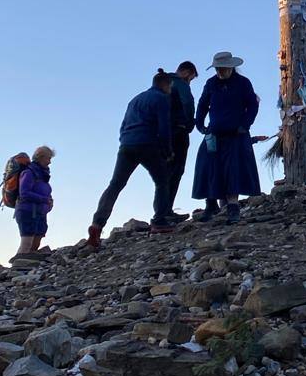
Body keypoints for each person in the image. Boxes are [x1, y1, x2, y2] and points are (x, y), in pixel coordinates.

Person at [87, 69, 175, 248]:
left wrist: (124, 140)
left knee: (115, 185)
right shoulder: (161, 99)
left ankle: (97, 223)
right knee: (162, 180)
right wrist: (167, 151)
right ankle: (159, 221)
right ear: (165, 85)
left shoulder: (135, 100)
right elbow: (164, 128)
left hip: (126, 144)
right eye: (170, 87)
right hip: (147, 144)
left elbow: (123, 125)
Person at [192, 52, 261, 224]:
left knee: (233, 170)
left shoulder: (243, 83)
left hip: (236, 134)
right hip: (214, 133)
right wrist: (200, 125)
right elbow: (202, 105)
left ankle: (233, 207)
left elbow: (252, 105)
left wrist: (245, 125)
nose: (220, 72)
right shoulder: (211, 83)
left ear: (231, 67)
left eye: (223, 68)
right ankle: (211, 204)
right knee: (208, 167)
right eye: (218, 69)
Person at [167, 60, 198, 222]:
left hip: (163, 134)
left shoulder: (162, 83)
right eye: (191, 79)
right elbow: (188, 103)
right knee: (176, 171)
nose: (190, 82)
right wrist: (189, 124)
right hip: (178, 132)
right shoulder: (180, 84)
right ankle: (166, 211)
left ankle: (162, 211)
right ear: (185, 72)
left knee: (164, 172)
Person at [15, 146, 54, 256]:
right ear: (40, 157)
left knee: (34, 245)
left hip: (39, 212)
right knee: (26, 244)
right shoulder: (29, 172)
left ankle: (27, 268)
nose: (50, 162)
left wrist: (49, 202)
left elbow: (43, 191)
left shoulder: (42, 174)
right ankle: (17, 269)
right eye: (48, 158)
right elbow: (24, 193)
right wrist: (45, 200)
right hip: (28, 212)